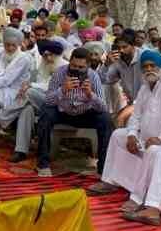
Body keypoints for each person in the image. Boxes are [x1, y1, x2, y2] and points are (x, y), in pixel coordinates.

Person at [88, 50, 161, 217]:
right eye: (145, 66)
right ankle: (110, 181)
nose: (149, 69)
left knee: (154, 151)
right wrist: (131, 134)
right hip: (149, 137)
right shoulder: (145, 87)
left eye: (153, 66)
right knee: (118, 136)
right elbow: (136, 115)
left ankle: (140, 197)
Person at [36, 46, 112, 177]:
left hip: (85, 115)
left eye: (81, 67)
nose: (76, 70)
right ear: (69, 62)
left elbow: (103, 108)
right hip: (63, 113)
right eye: (74, 66)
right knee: (45, 113)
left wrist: (90, 95)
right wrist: (63, 90)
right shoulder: (60, 73)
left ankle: (102, 168)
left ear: (88, 66)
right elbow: (47, 100)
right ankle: (43, 164)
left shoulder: (93, 77)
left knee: (105, 119)